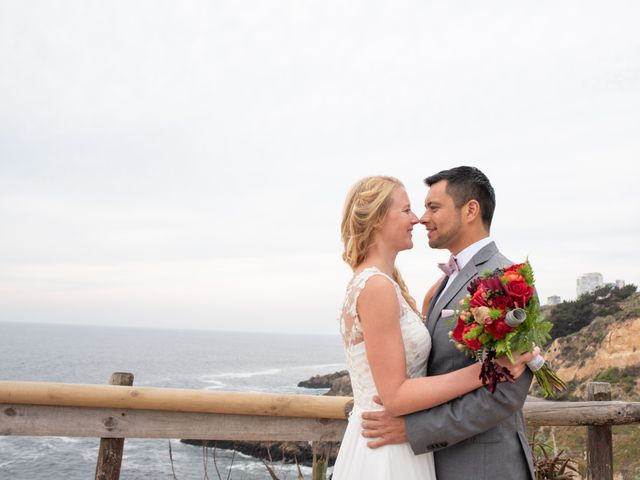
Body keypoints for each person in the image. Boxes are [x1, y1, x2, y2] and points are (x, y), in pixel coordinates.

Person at [332, 175, 538, 480]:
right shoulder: (396, 286)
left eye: (432, 207)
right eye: (410, 210)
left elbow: (506, 393)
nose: (420, 218)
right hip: (397, 453)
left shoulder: (507, 280)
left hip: (482, 466)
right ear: (376, 219)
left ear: (470, 211)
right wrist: (488, 369)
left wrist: (417, 429)